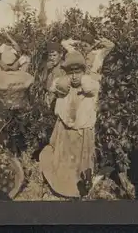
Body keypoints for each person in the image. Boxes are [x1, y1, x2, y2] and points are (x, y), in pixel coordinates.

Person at [39, 50, 101, 198]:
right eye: (71, 72)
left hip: (82, 129)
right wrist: (62, 82)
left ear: (83, 71)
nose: (74, 76)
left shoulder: (90, 83)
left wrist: (84, 80)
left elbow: (92, 88)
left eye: (77, 72)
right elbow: (52, 87)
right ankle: (63, 187)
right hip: (65, 128)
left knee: (80, 162)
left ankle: (80, 188)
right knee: (64, 160)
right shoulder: (63, 84)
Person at [44, 42, 66, 109]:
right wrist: (46, 70)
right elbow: (43, 82)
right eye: (50, 56)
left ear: (61, 54)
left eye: (54, 55)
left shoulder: (63, 67)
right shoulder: (49, 66)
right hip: (49, 97)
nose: (52, 58)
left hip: (58, 99)